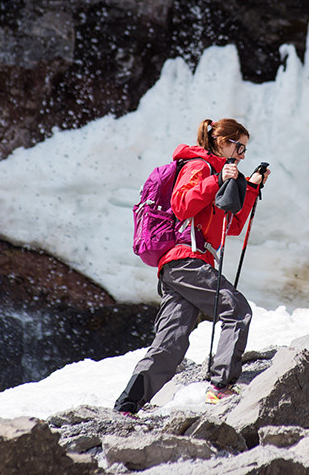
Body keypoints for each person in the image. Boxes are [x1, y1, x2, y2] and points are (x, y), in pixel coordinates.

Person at [114, 117, 270, 414]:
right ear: (223, 143)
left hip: (181, 264)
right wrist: (218, 179)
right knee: (236, 310)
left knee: (170, 342)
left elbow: (231, 226)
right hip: (187, 260)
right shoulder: (199, 166)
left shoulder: (221, 172)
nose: (243, 154)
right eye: (240, 147)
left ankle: (127, 405)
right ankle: (221, 387)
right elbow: (182, 205)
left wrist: (249, 187)